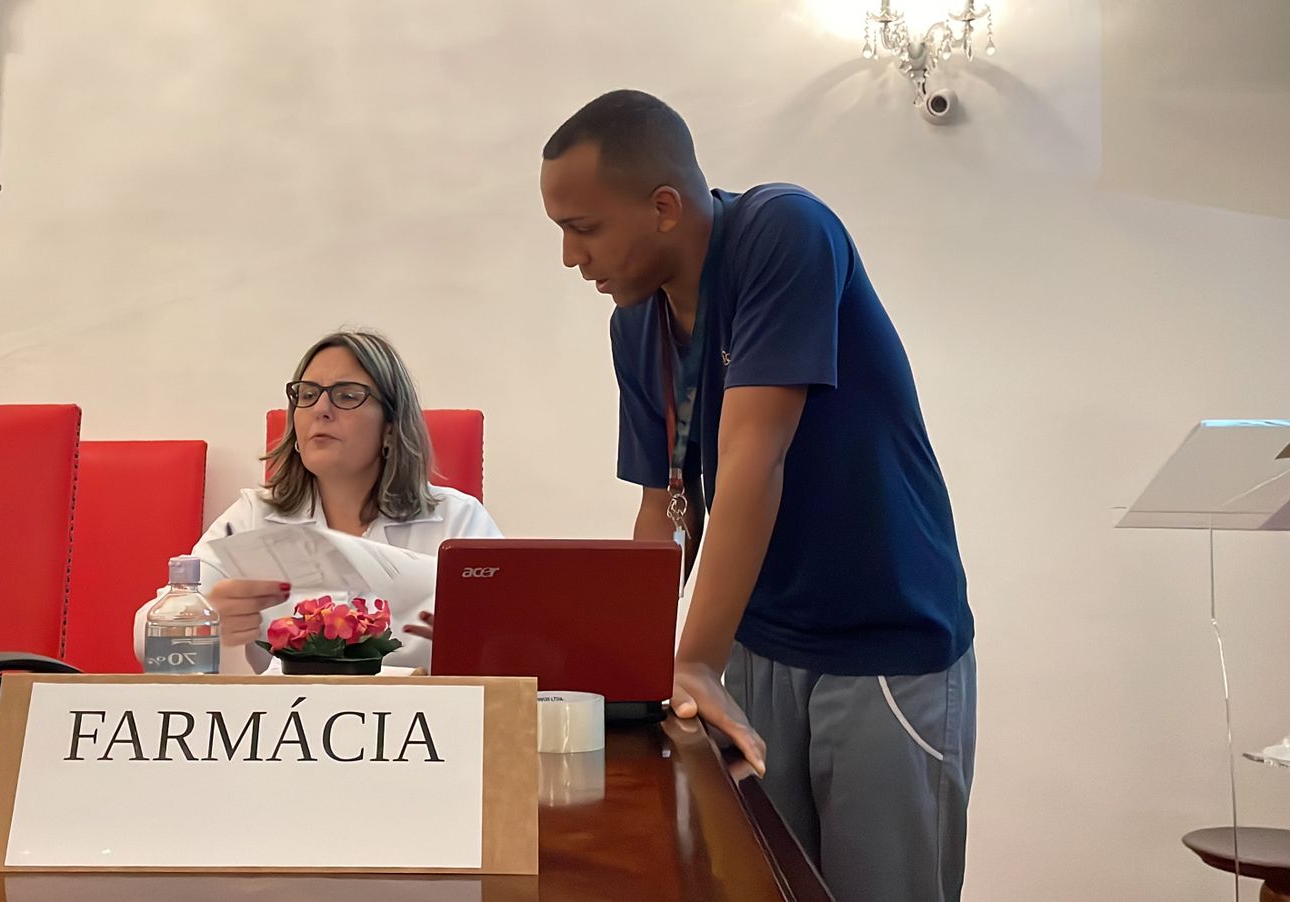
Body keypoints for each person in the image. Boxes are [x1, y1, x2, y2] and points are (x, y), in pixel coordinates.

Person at [538, 90, 976, 902]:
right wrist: (630, 658)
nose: (570, 257)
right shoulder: (634, 326)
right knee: (758, 883)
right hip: (755, 643)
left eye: (584, 228)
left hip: (880, 644)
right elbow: (667, 508)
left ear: (664, 207)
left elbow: (751, 457)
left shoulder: (784, 231)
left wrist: (693, 660)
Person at [131, 329, 500, 673]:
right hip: (285, 718)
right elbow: (146, 638)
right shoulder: (254, 517)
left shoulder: (458, 520)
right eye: (307, 395)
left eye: (347, 395)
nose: (321, 409)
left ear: (391, 427)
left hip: (423, 718)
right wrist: (204, 615)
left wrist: (479, 642)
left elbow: (517, 646)